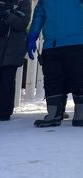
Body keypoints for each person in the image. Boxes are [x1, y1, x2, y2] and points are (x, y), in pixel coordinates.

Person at [28, 0, 83, 128]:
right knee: (55, 79)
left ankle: (76, 113)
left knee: (77, 78)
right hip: (55, 45)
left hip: (74, 42)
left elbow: (39, 15)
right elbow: (39, 14)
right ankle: (56, 114)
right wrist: (32, 36)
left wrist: (32, 36)